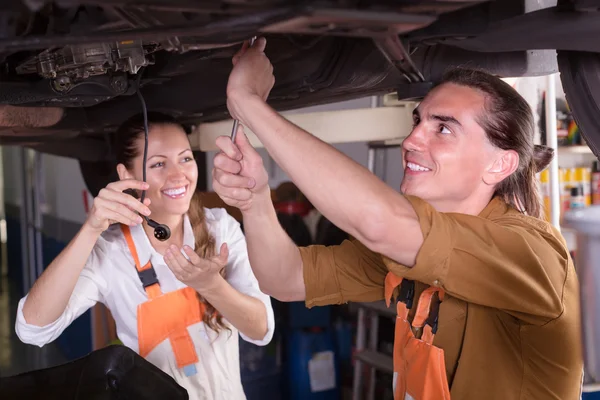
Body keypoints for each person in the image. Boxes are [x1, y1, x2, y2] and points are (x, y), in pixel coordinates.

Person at [211, 38, 583, 399]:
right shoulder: (410, 251)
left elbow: (378, 220)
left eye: (443, 128)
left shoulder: (530, 252)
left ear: (500, 164)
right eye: (417, 121)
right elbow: (286, 278)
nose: (411, 140)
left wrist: (249, 104)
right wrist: (256, 200)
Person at [15, 112, 275, 399]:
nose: (178, 175)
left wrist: (212, 286)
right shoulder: (111, 252)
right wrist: (90, 229)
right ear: (126, 175)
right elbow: (32, 330)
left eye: (185, 158)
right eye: (159, 164)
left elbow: (261, 330)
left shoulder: (220, 228)